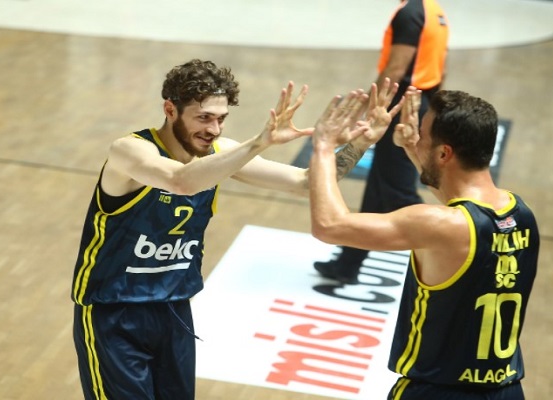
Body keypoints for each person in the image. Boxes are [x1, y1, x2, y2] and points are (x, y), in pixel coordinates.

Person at [70, 59, 402, 400]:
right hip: (112, 312)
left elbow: (305, 182)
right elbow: (180, 181)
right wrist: (260, 142)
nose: (214, 129)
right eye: (204, 118)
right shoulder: (130, 150)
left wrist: (361, 144)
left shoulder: (222, 152)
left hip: (173, 308)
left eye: (221, 118)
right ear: (170, 110)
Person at [308, 86, 539, 399]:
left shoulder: (438, 224)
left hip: (439, 392)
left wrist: (324, 147)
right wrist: (413, 151)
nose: (417, 140)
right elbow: (459, 202)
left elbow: (329, 225)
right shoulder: (520, 213)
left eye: (423, 137)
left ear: (444, 154)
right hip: (507, 391)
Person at [314, 0, 449, 284]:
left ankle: (454, 241)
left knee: (398, 192)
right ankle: (348, 264)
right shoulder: (434, 11)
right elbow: (441, 66)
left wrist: (366, 109)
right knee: (378, 188)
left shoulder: (410, 12)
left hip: (400, 106)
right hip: (420, 100)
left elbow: (396, 68)